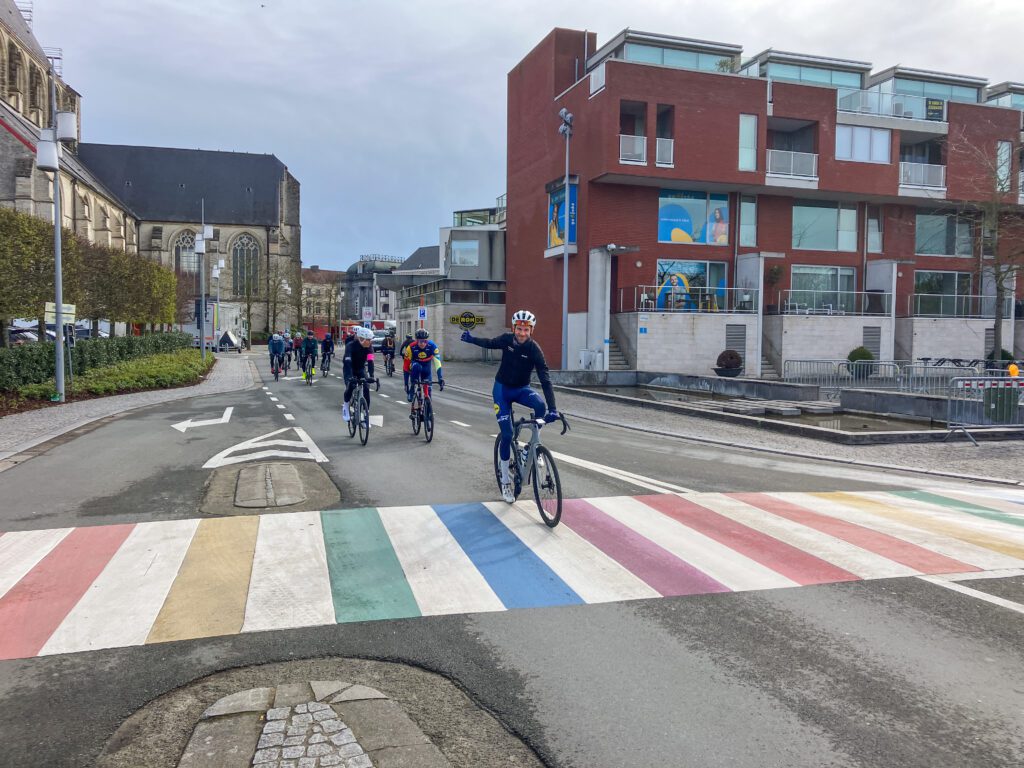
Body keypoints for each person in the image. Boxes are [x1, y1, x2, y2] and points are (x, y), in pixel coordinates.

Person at [461, 309, 559, 503]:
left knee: (540, 407)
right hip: (502, 391)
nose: (522, 333)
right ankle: (505, 481)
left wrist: (553, 408)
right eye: (519, 329)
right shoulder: (507, 340)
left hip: (522, 389)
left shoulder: (534, 350)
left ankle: (530, 447)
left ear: (531, 330)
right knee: (507, 435)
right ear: (514, 328)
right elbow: (489, 343)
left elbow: (545, 379)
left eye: (526, 329)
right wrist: (472, 339)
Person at [405, 330, 444, 416]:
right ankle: (413, 388)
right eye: (420, 341)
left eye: (424, 341)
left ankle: (428, 414)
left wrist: (440, 378)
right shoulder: (411, 347)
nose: (422, 343)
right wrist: (406, 384)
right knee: (417, 366)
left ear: (427, 340)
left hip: (426, 370)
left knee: (428, 393)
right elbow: (406, 367)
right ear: (416, 340)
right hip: (415, 367)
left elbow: (437, 363)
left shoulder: (432, 346)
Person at [342, 326, 376, 422]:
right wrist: (349, 377)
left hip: (360, 368)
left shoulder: (369, 348)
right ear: (361, 339)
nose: (370, 342)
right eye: (368, 340)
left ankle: (366, 414)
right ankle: (346, 406)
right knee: (351, 385)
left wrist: (371, 376)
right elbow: (348, 361)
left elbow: (370, 362)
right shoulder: (350, 346)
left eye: (370, 340)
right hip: (349, 368)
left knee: (366, 387)